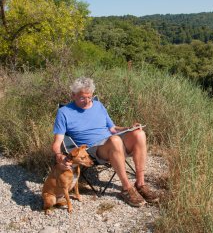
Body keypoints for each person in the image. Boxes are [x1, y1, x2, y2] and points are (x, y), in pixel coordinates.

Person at [51, 76, 158, 207]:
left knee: (139, 134)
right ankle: (126, 188)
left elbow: (112, 128)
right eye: (82, 98)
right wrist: (58, 155)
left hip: (113, 141)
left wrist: (129, 128)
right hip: (93, 150)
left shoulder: (98, 106)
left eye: (89, 97)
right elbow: (57, 142)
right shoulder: (64, 112)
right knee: (115, 140)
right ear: (73, 95)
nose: (87, 101)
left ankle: (140, 184)